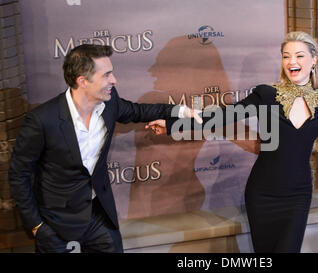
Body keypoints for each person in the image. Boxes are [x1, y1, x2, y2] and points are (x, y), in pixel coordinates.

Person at [148, 31, 318, 253]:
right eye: (286, 56)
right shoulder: (266, 94)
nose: (292, 62)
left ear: (314, 59)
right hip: (263, 193)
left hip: (297, 195)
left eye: (299, 56)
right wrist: (172, 124)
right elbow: (222, 116)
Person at [8, 44, 200, 253]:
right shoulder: (42, 120)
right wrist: (36, 226)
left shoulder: (110, 103)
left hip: (98, 217)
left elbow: (139, 111)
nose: (114, 80)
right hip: (56, 225)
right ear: (83, 81)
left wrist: (180, 110)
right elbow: (19, 174)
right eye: (106, 75)